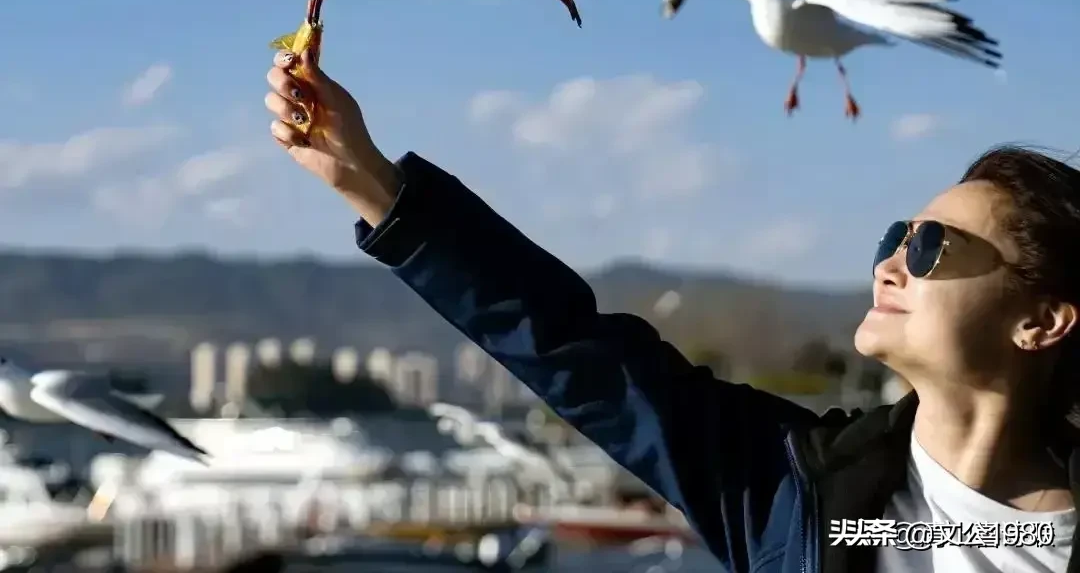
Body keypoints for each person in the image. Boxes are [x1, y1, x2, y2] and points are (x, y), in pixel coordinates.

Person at [265, 48, 1080, 572]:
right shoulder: (797, 490)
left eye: (935, 246)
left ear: (1041, 320)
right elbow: (576, 355)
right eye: (896, 237)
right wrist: (371, 182)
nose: (894, 262)